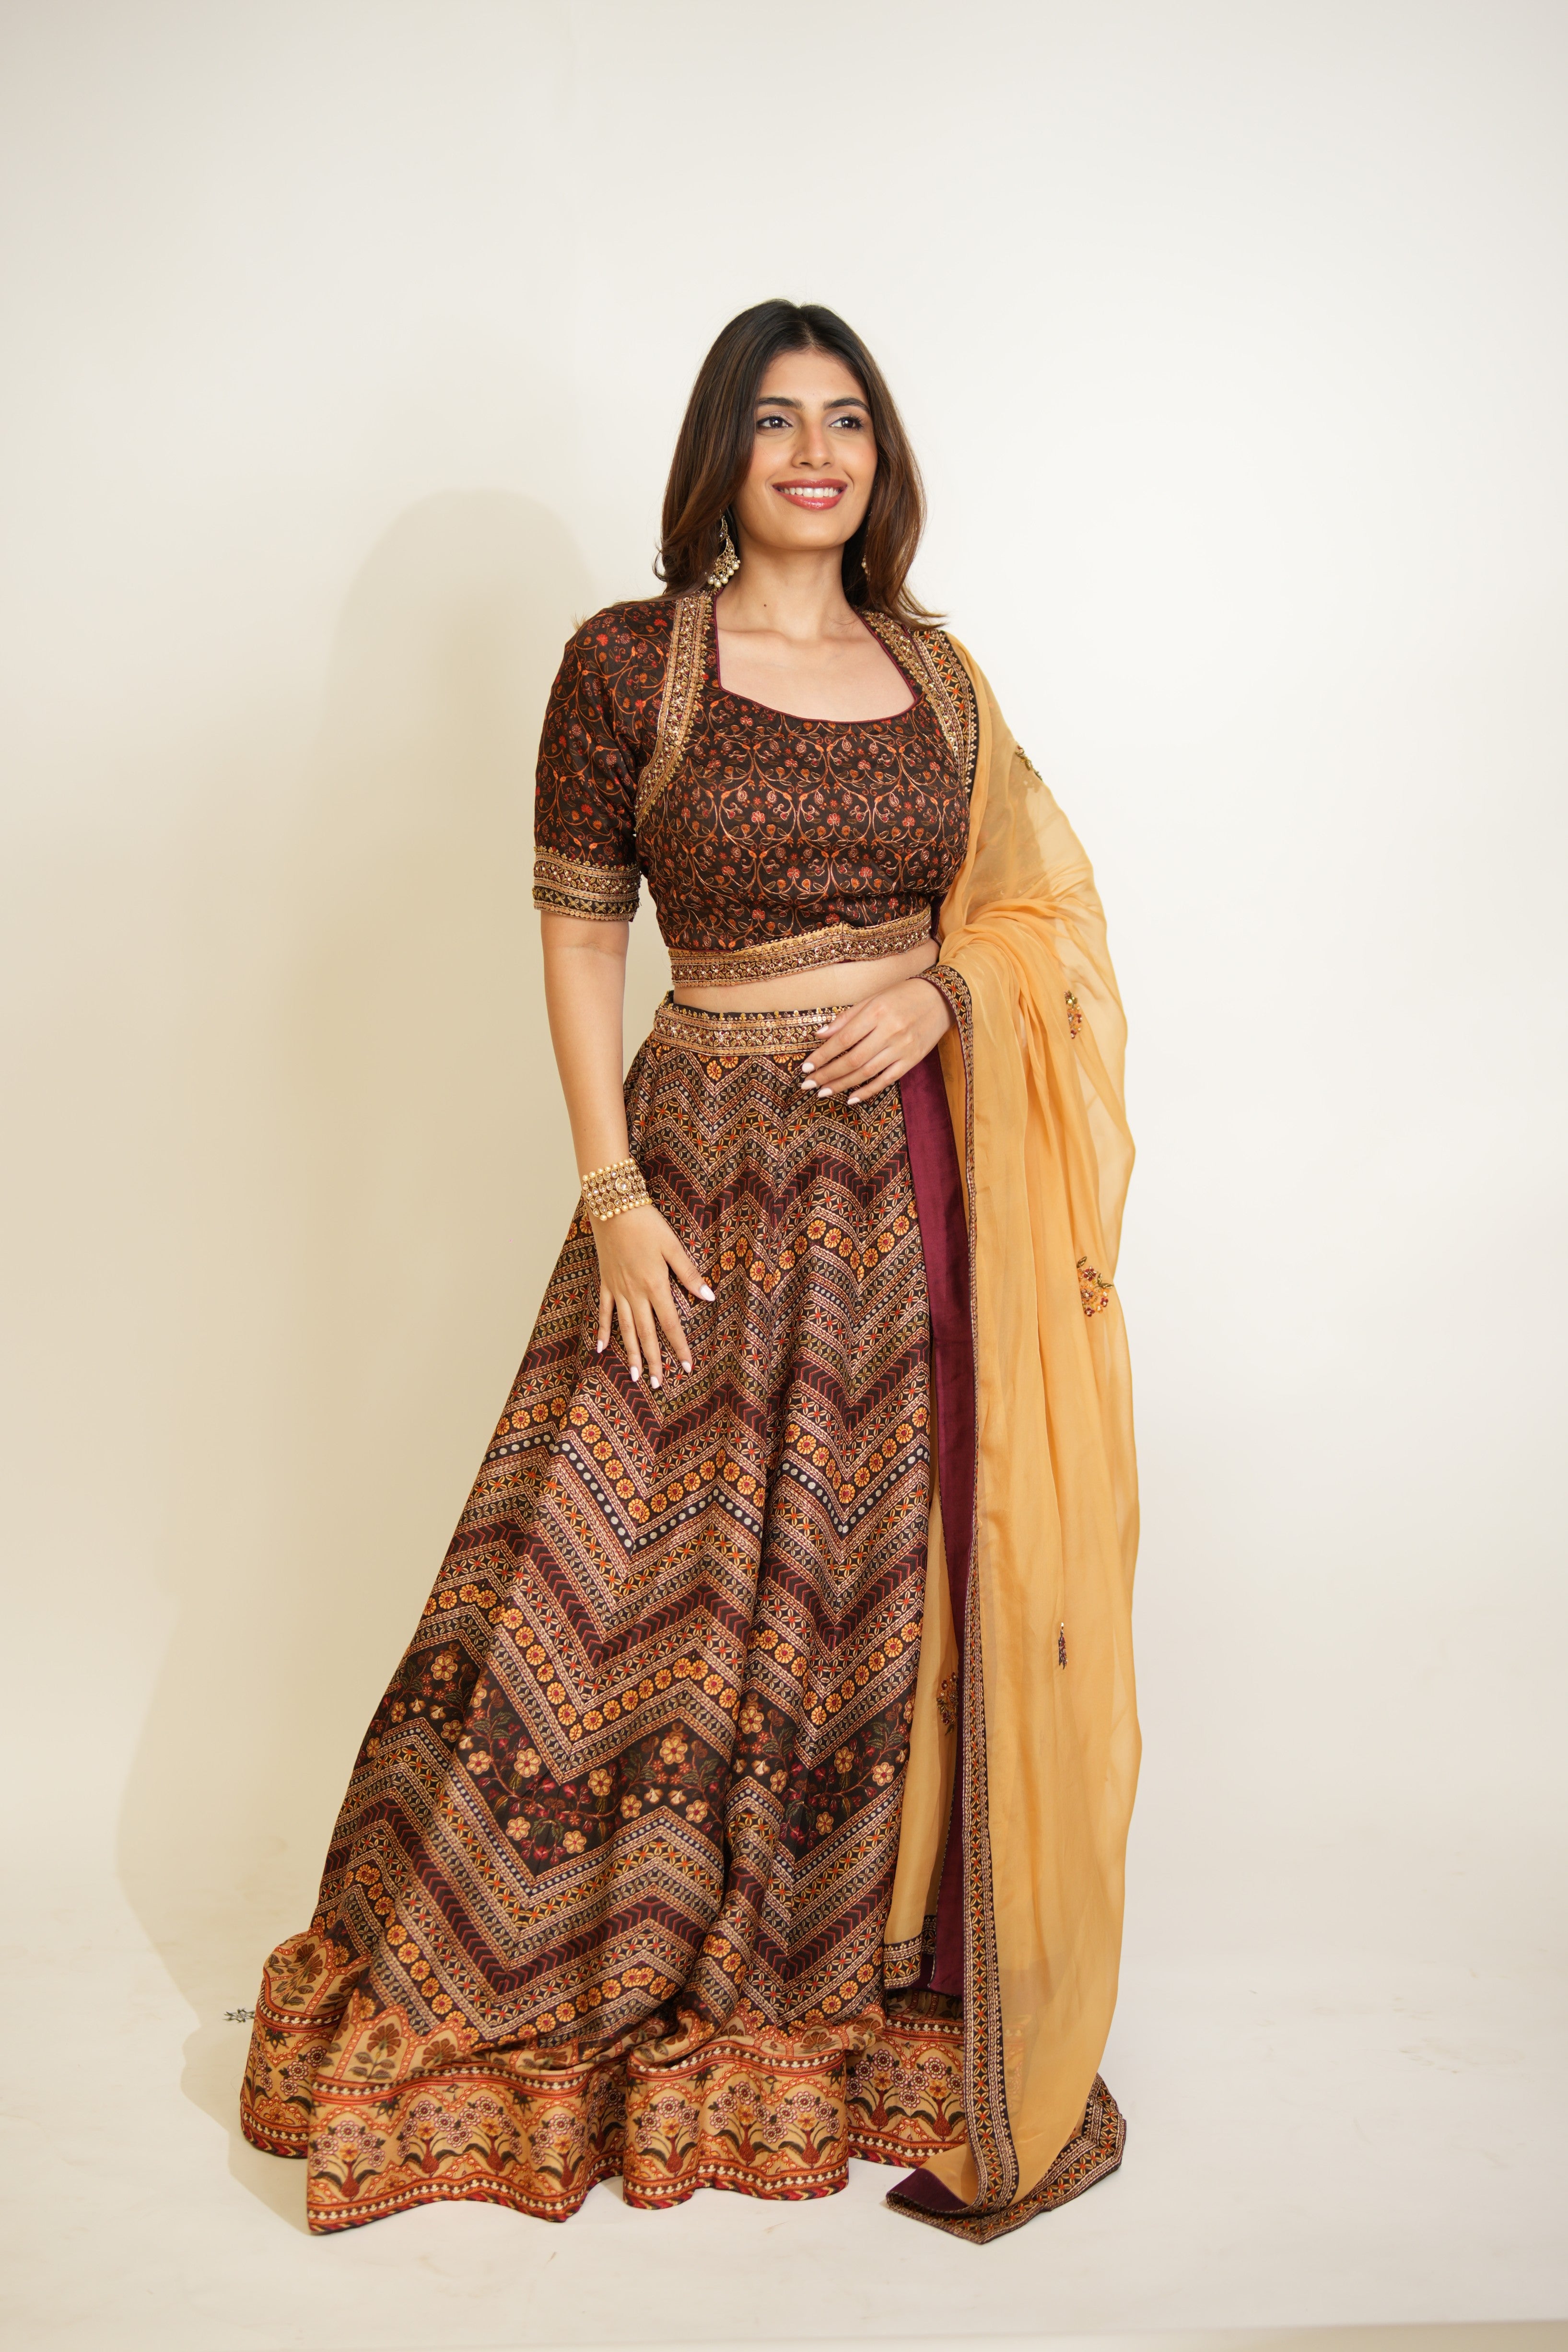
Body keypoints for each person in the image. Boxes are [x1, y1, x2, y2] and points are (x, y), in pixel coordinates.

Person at [240, 300, 1140, 2243]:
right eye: (772, 421)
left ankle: (848, 1989)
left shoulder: (938, 678)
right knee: (610, 1559)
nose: (814, 451)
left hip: (915, 1186)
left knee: (880, 1573)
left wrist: (939, 988)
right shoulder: (630, 664)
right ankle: (536, 1965)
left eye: (845, 420)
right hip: (700, 1168)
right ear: (717, 455)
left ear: (878, 457)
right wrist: (608, 1189)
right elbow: (577, 939)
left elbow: (1037, 913)